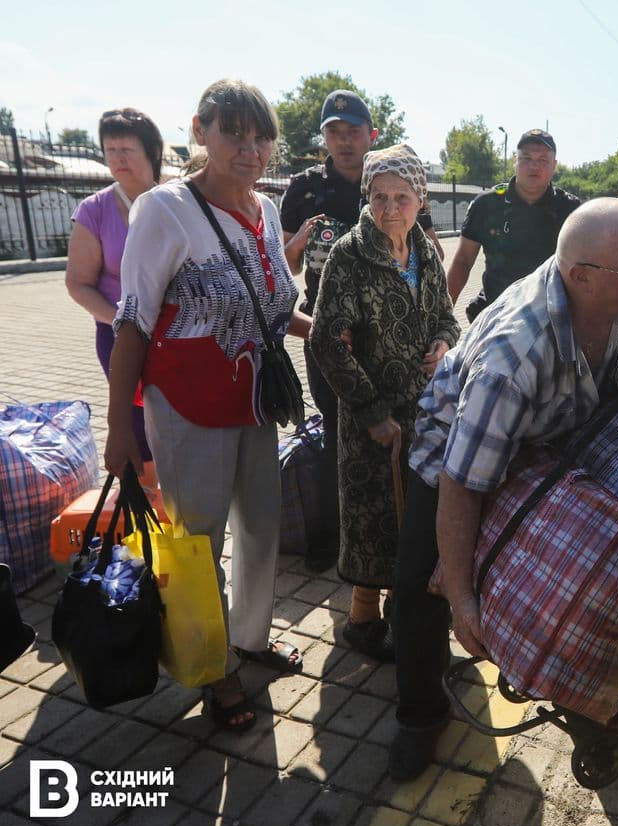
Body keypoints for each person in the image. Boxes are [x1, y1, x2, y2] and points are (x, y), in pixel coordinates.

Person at [389, 198, 618, 782]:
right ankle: (419, 714)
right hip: (449, 459)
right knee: (421, 590)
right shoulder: (511, 360)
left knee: (576, 584)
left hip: (534, 447)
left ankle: (594, 701)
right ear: (583, 278)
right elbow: (461, 486)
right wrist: (464, 600)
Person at [104, 79, 311, 731]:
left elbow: (272, 302)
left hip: (253, 402)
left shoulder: (267, 211)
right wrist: (119, 427)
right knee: (198, 542)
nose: (250, 150)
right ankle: (214, 666)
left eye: (261, 137)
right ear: (200, 130)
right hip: (188, 406)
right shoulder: (165, 210)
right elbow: (132, 321)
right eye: (234, 133)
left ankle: (251, 636)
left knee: (260, 527)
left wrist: (324, 326)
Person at [279, 89, 443, 572]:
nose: (343, 140)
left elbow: (430, 268)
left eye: (353, 132)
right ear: (324, 136)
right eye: (334, 131)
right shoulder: (306, 188)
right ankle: (334, 541)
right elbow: (285, 264)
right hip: (335, 336)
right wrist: (300, 243)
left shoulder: (398, 192)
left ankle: (394, 544)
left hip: (402, 350)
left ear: (371, 135)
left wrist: (442, 334)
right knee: (343, 438)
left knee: (405, 446)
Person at [309, 144, 459, 660]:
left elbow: (446, 315)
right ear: (367, 198)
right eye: (379, 197)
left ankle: (405, 617)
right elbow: (325, 340)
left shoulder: (424, 250)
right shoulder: (349, 253)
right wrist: (374, 414)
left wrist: (443, 343)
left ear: (420, 199)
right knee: (373, 515)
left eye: (402, 197)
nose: (390, 208)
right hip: (371, 414)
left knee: (412, 519)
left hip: (425, 412)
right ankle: (362, 621)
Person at [65, 108, 164, 480]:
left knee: (186, 419)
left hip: (180, 331)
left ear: (151, 151)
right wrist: (119, 319)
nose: (118, 159)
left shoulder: (180, 198)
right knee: (137, 424)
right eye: (110, 150)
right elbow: (78, 283)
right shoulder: (95, 210)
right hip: (121, 335)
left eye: (127, 149)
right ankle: (152, 509)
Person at [446, 128, 580, 322]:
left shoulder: (570, 209)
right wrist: (442, 316)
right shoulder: (487, 204)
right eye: (526, 158)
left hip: (549, 318)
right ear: (515, 162)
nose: (533, 166)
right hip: (495, 314)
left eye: (543, 160)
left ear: (555, 165)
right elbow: (463, 261)